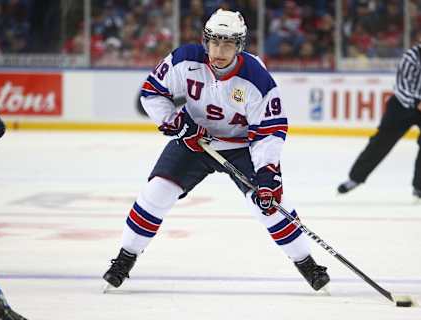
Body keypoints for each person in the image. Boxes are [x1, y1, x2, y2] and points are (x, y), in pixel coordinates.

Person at [103, 9, 329, 292]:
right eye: (214, 42)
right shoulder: (184, 59)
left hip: (242, 146)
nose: (219, 50)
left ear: (240, 45)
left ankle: (306, 262)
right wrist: (178, 125)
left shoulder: (256, 78)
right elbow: (152, 94)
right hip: (193, 142)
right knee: (156, 192)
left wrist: (268, 174)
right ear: (205, 41)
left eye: (228, 44)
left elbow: (269, 132)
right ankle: (125, 259)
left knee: (268, 206)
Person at [337, 19, 421, 199]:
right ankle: (355, 179)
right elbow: (401, 86)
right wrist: (418, 102)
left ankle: (419, 186)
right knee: (381, 141)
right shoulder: (411, 56)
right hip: (403, 105)